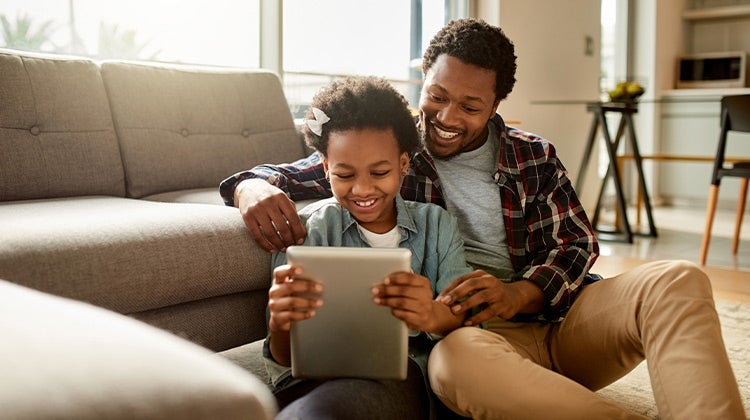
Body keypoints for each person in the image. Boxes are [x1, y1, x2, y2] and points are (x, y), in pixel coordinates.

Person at [221, 18, 745, 420]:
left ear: (496, 103)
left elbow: (575, 244)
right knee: (456, 362)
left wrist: (520, 294)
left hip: (560, 325)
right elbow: (321, 169)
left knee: (677, 279)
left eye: (470, 106)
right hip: (468, 338)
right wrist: (250, 186)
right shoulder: (397, 146)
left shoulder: (531, 155)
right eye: (438, 96)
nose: (448, 118)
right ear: (423, 81)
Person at [262, 76, 475, 419]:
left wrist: (432, 313)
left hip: (401, 381)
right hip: (316, 383)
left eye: (379, 172)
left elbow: (466, 318)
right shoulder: (307, 232)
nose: (362, 189)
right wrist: (281, 326)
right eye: (345, 175)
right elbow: (285, 359)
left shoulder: (436, 226)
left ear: (404, 164)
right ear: (326, 168)